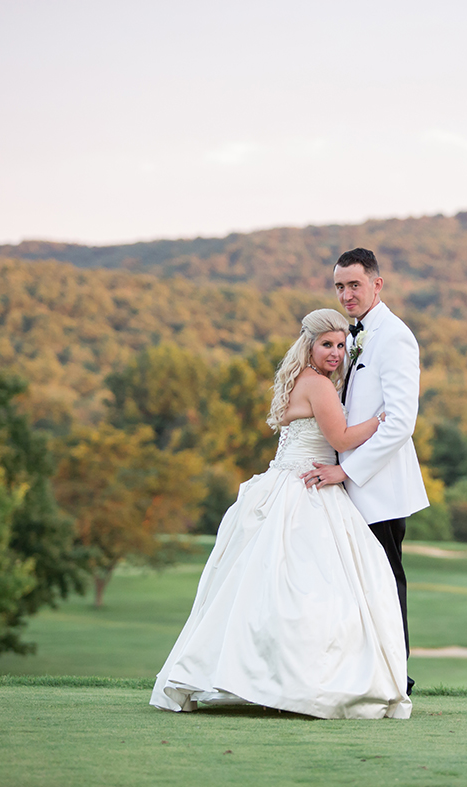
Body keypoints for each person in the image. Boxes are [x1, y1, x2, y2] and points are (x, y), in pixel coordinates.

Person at [150, 308, 412, 719]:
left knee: (261, 589)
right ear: (308, 345)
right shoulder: (319, 385)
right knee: (312, 590)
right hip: (307, 489)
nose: (335, 353)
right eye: (326, 344)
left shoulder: (300, 379)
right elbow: (341, 438)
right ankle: (301, 685)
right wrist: (380, 421)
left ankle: (259, 678)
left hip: (282, 483)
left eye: (341, 345)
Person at [301, 249, 429, 696]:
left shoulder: (395, 337)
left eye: (354, 285)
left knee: (386, 584)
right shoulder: (351, 335)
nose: (346, 294)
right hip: (352, 489)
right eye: (339, 286)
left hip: (380, 488)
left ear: (377, 284)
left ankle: (396, 680)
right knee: (356, 586)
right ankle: (363, 675)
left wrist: (347, 471)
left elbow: (400, 422)